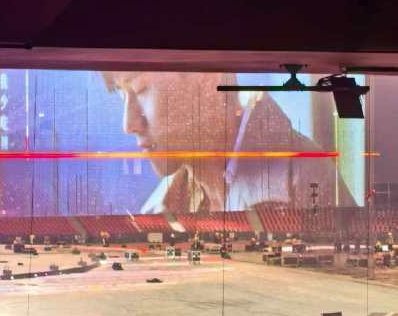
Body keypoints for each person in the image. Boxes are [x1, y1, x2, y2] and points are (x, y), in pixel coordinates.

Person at [102, 71, 355, 214]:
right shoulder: (160, 206)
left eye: (141, 90)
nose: (128, 124)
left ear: (207, 78)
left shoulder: (306, 179)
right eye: (122, 95)